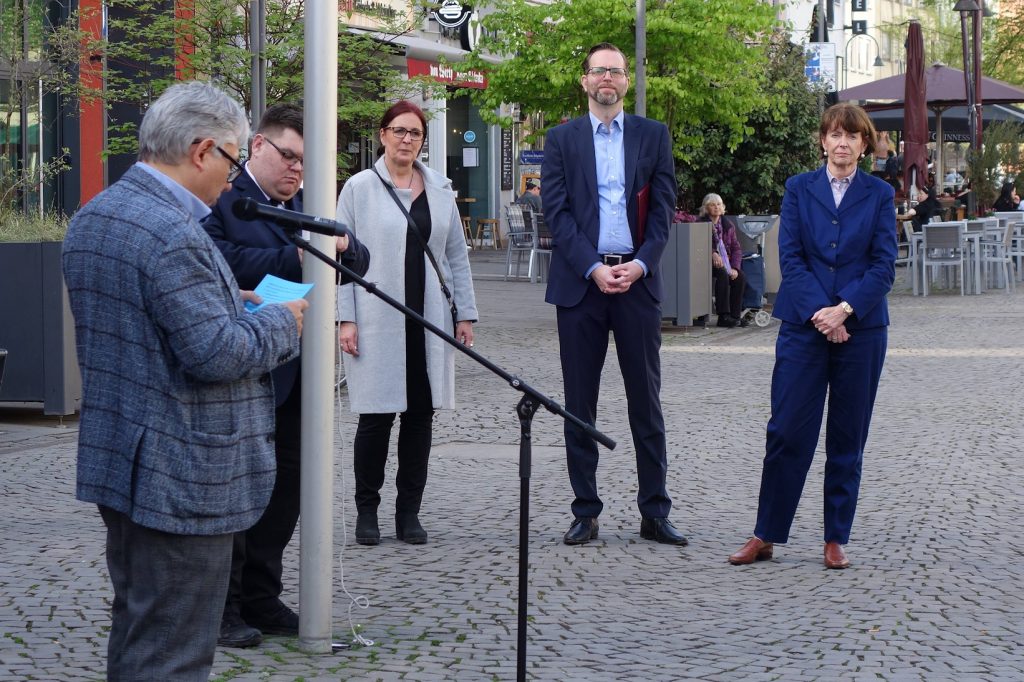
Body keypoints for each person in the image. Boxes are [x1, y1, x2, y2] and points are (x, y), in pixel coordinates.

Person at [61, 81, 309, 681]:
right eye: (230, 159)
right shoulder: (173, 232)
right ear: (202, 151)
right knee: (173, 652)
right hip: (183, 472)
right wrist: (284, 318)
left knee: (142, 629)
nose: (232, 178)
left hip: (124, 460)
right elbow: (218, 354)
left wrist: (233, 299)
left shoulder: (99, 213)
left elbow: (151, 323)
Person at [204, 104, 369, 647]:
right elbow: (219, 259)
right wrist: (298, 260)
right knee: (237, 491)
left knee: (288, 488)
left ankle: (260, 594)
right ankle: (222, 607)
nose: (297, 170)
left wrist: (341, 245)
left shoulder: (303, 206)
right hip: (240, 371)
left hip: (300, 375)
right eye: (289, 156)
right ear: (257, 147)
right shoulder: (223, 201)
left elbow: (357, 257)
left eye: (306, 161)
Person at [728, 103, 896, 570]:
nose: (842, 143)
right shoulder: (799, 189)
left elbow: (884, 265)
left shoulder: (880, 195)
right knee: (786, 431)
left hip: (862, 331)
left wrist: (844, 310)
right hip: (804, 328)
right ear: (822, 141)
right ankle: (765, 534)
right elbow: (792, 257)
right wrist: (823, 313)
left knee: (847, 435)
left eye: (852, 136)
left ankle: (835, 537)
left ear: (864, 145)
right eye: (834, 135)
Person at [542, 42, 686, 547]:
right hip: (582, 287)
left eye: (616, 71)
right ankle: (586, 510)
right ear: (584, 81)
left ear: (627, 81)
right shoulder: (560, 140)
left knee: (646, 400)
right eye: (599, 71)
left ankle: (654, 510)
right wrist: (591, 268)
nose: (607, 78)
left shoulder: (653, 136)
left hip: (637, 285)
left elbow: (665, 209)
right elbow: (556, 214)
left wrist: (641, 264)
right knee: (579, 404)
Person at [337, 101, 478, 546]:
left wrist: (466, 313)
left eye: (415, 133)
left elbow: (456, 254)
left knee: (420, 419)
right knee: (376, 419)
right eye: (399, 131)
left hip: (428, 318)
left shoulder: (439, 189)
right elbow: (342, 259)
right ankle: (367, 511)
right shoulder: (359, 188)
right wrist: (345, 318)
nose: (406, 140)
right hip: (377, 316)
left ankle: (408, 513)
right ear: (382, 135)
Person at [699, 193, 748, 328]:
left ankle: (735, 316)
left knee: (740, 277)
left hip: (726, 262)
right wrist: (712, 253)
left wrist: (734, 268)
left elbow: (736, 249)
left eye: (719, 204)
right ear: (706, 208)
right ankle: (723, 316)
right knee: (722, 274)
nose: (716, 207)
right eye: (712, 205)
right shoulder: (700, 224)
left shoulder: (728, 225)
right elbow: (698, 245)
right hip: (703, 262)